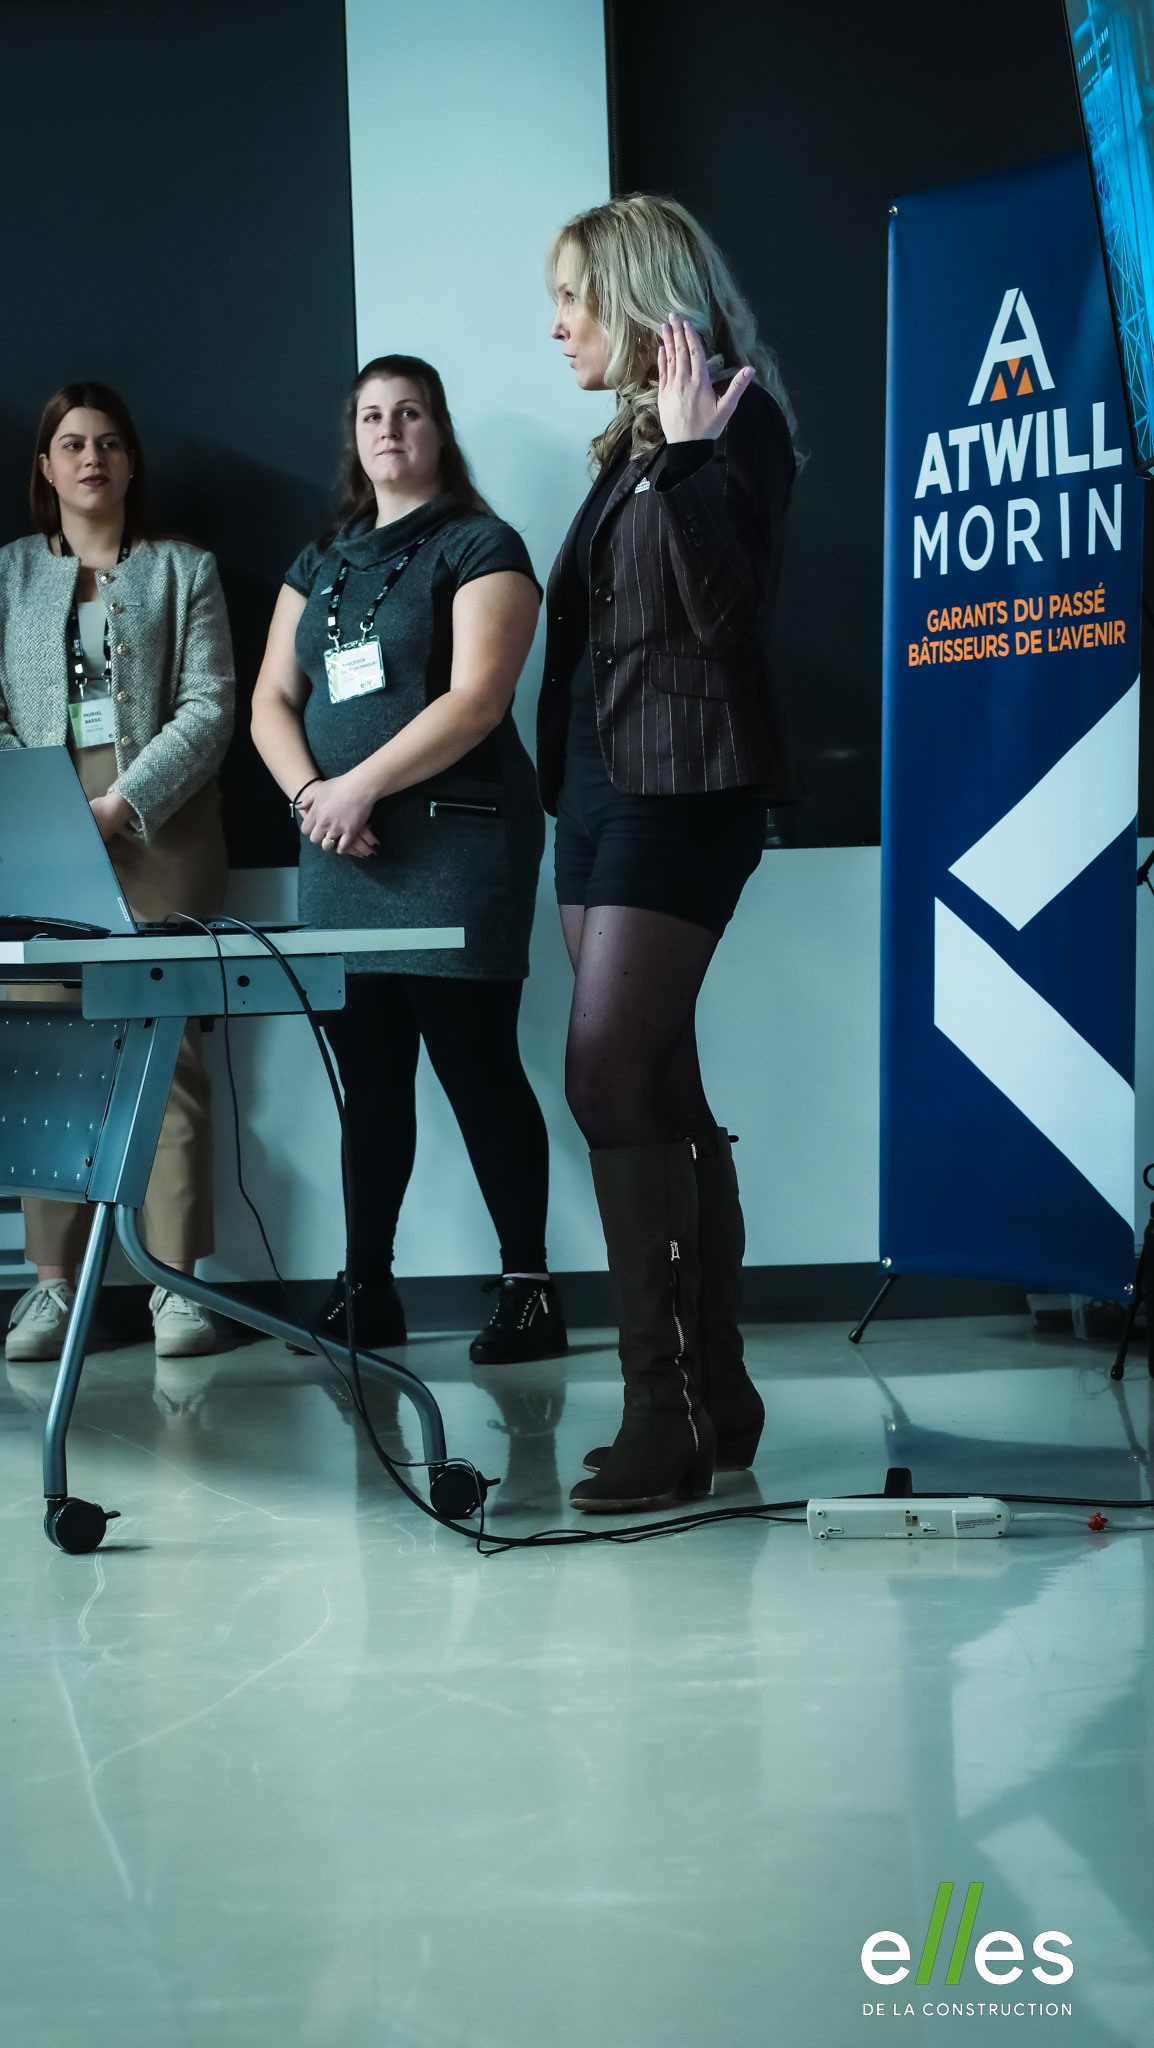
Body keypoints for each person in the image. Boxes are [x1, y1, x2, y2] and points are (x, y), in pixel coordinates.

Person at [541, 195, 801, 1512]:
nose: (556, 325)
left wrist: (695, 459)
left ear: (637, 293)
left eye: (571, 297)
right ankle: (720, 1393)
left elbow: (729, 618)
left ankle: (662, 1411)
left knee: (603, 1078)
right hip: (596, 796)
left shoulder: (733, 421)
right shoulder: (625, 444)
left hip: (685, 790)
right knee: (656, 1086)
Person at [250, 355, 566, 1364]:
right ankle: (367, 1289)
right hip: (340, 849)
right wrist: (315, 797)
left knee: (476, 1064)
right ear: (353, 438)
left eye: (410, 412)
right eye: (371, 415)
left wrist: (356, 789)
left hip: (456, 840)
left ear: (439, 430)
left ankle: (529, 1291)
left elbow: (477, 700)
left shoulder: (481, 543)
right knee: (370, 1080)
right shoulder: (320, 560)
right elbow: (270, 702)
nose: (389, 429)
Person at [0, 381, 235, 1363]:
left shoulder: (185, 569)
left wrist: (123, 803)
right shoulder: (9, 574)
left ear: (131, 461)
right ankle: (53, 1288)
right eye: (71, 443)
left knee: (166, 1056)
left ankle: (177, 1289)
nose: (90, 458)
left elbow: (211, 703)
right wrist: (49, 812)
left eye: (107, 442)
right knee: (44, 1053)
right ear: (45, 466)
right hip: (44, 841)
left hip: (161, 834)